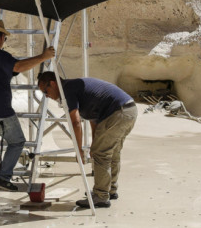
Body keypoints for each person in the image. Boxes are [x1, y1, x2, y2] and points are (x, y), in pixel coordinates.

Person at [0, 19, 55, 210]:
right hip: (0, 112)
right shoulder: (0, 56)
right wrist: (43, 56)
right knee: (17, 142)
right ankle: (3, 176)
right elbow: (17, 67)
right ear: (1, 37)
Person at [36, 71, 137, 208]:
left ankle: (101, 196)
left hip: (117, 112)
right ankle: (110, 190)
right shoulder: (74, 88)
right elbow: (94, 119)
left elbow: (76, 122)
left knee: (101, 154)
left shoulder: (67, 90)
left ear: (53, 84)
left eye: (45, 91)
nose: (47, 96)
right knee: (111, 152)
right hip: (129, 110)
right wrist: (94, 143)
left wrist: (79, 151)